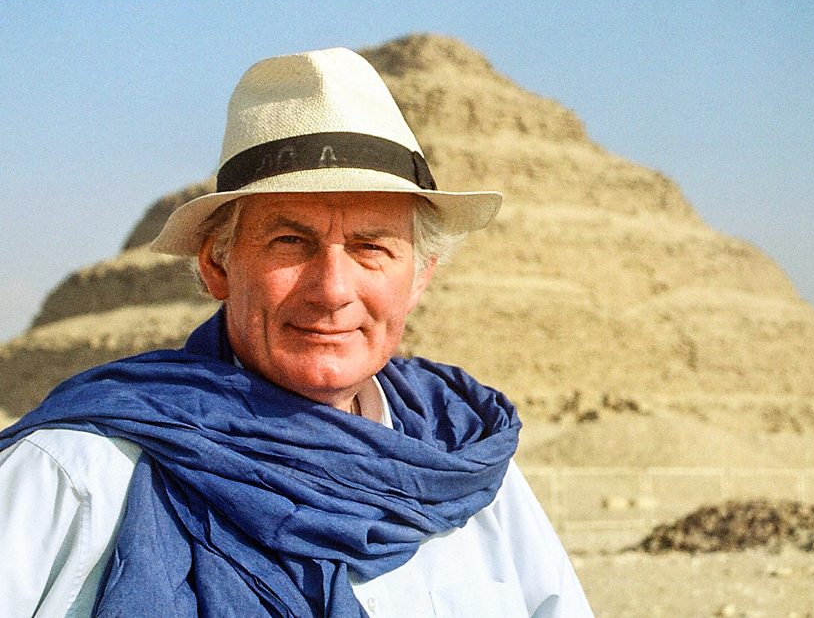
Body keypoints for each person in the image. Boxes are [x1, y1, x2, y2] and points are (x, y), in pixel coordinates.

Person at [0, 47, 592, 617]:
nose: (332, 290)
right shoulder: (75, 477)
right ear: (217, 266)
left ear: (419, 277)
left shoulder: (467, 469)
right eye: (290, 242)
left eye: (371, 247)